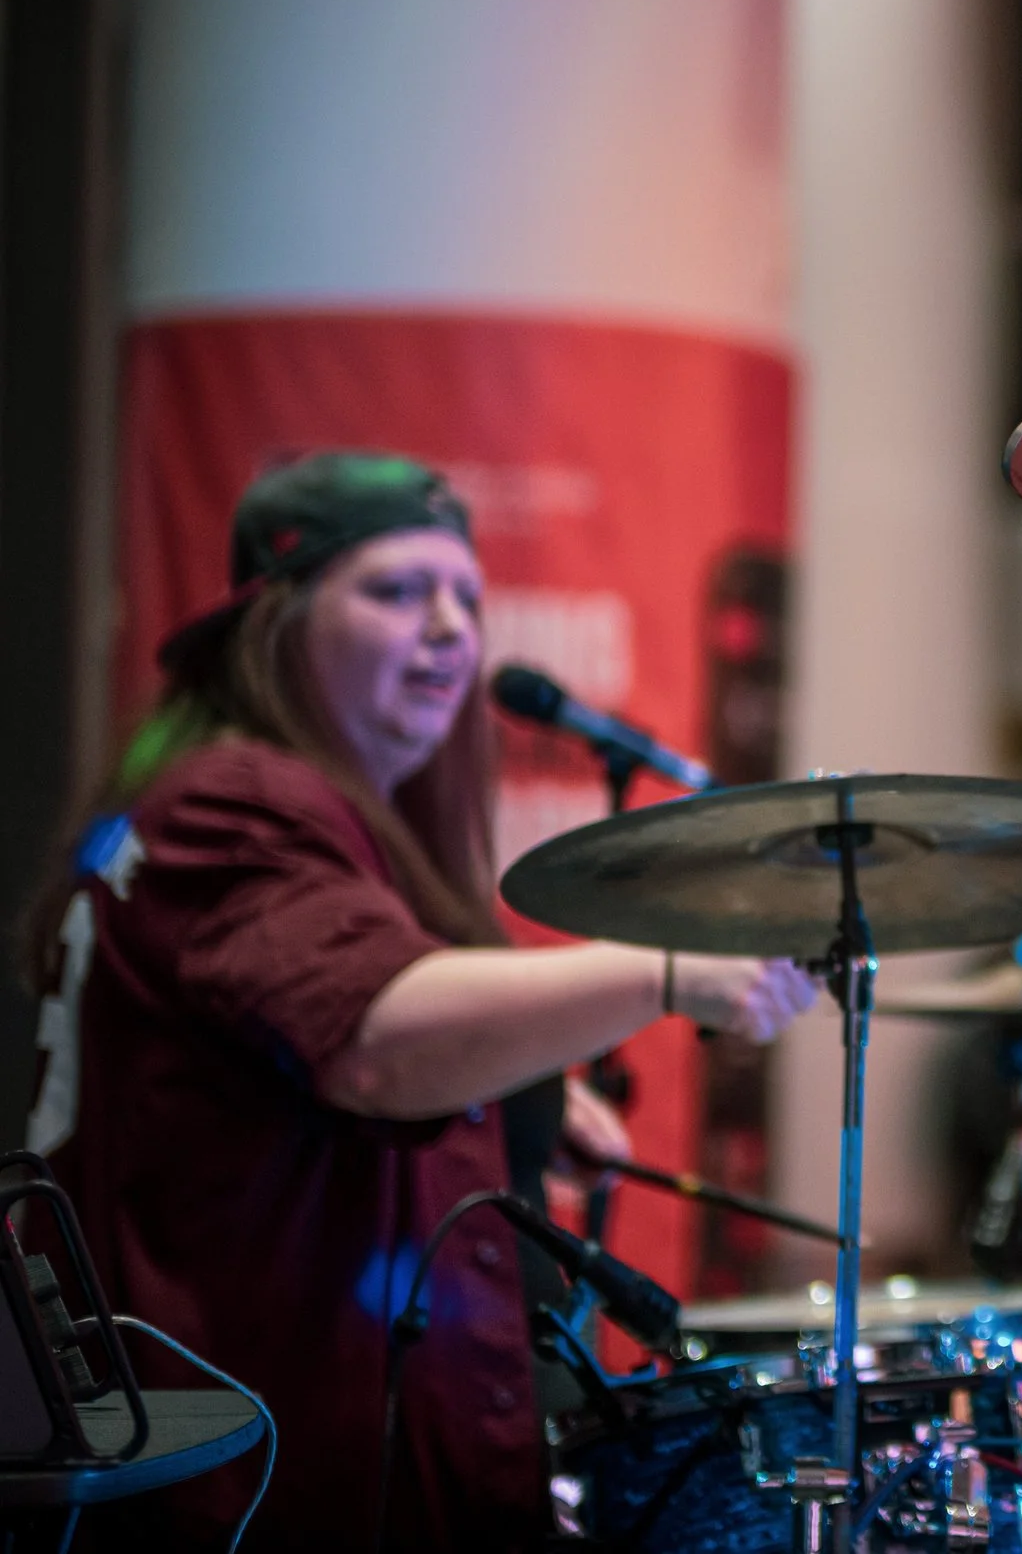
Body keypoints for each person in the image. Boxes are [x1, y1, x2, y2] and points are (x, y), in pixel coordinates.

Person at [22, 452, 818, 1551]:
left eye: (466, 597)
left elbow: (305, 1056)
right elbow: (372, 1038)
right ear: (276, 623)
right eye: (395, 590)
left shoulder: (267, 797)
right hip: (262, 1477)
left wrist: (517, 1100)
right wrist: (663, 971)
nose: (450, 628)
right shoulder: (237, 798)